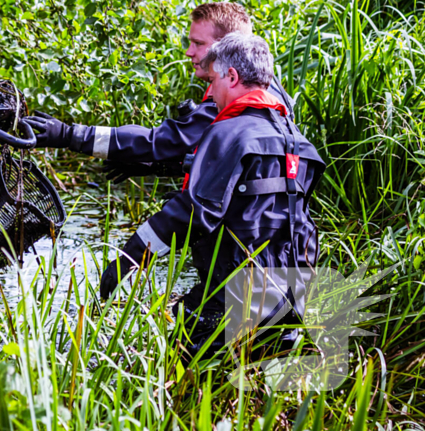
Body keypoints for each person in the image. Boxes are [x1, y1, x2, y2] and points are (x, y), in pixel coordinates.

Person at [100, 33, 324, 361]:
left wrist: (129, 259)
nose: (212, 93)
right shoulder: (300, 144)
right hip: (291, 296)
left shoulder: (228, 132)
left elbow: (193, 212)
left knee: (183, 367)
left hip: (232, 298)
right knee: (251, 391)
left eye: (214, 80)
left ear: (232, 77)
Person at [23, 2, 293, 179]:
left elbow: (165, 140)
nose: (189, 52)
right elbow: (217, 160)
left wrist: (69, 135)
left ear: (226, 46)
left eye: (198, 43)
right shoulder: (264, 82)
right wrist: (158, 165)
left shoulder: (239, 96)